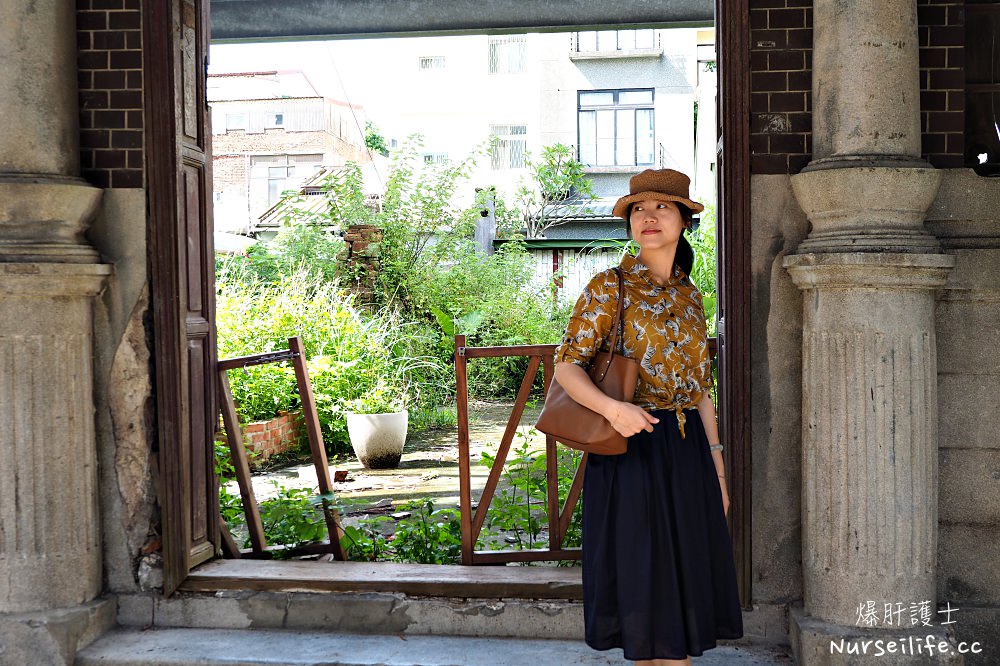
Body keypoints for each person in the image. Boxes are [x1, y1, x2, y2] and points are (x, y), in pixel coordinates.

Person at [552, 169, 744, 665]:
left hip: (687, 456)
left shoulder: (691, 297)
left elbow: (701, 392)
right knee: (643, 594)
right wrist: (615, 409)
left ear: (684, 220)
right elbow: (567, 366)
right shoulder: (609, 287)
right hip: (629, 454)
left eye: (661, 207)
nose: (648, 216)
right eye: (639, 209)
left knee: (680, 596)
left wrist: (718, 472)